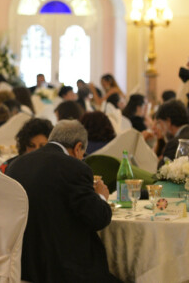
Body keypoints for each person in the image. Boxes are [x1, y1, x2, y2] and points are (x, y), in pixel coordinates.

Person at [6, 120, 117, 283]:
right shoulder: (75, 168)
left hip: (23, 266)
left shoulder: (16, 165)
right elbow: (98, 218)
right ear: (78, 148)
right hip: (63, 270)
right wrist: (100, 197)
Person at [155, 99, 189, 165]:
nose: (159, 127)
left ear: (168, 121)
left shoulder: (174, 143)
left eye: (159, 123)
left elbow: (161, 169)